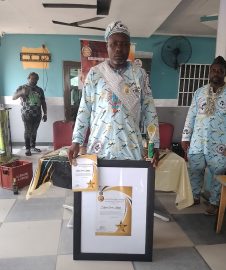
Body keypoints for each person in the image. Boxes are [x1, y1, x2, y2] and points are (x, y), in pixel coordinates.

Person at [68, 20, 159, 164]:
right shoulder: (95, 73)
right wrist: (76, 141)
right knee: (101, 187)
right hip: (99, 149)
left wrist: (154, 144)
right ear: (107, 46)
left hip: (132, 148)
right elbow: (84, 109)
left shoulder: (140, 74)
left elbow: (149, 110)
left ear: (129, 47)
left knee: (130, 186)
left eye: (124, 44)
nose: (119, 49)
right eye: (114, 44)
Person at [181, 56, 226, 216]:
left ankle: (214, 202)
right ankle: (194, 196)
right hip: (197, 141)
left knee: (218, 172)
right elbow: (191, 115)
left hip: (220, 143)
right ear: (209, 72)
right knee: (195, 168)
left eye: (220, 71)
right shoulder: (199, 92)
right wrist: (186, 137)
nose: (216, 73)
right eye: (214, 70)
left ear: (224, 73)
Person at [12, 72, 47, 156]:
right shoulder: (22, 87)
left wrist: (45, 113)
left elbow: (43, 102)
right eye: (32, 78)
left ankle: (33, 146)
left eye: (36, 79)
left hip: (37, 114)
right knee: (28, 131)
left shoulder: (40, 90)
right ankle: (27, 148)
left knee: (34, 131)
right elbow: (13, 97)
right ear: (28, 78)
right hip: (26, 114)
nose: (34, 80)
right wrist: (21, 92)